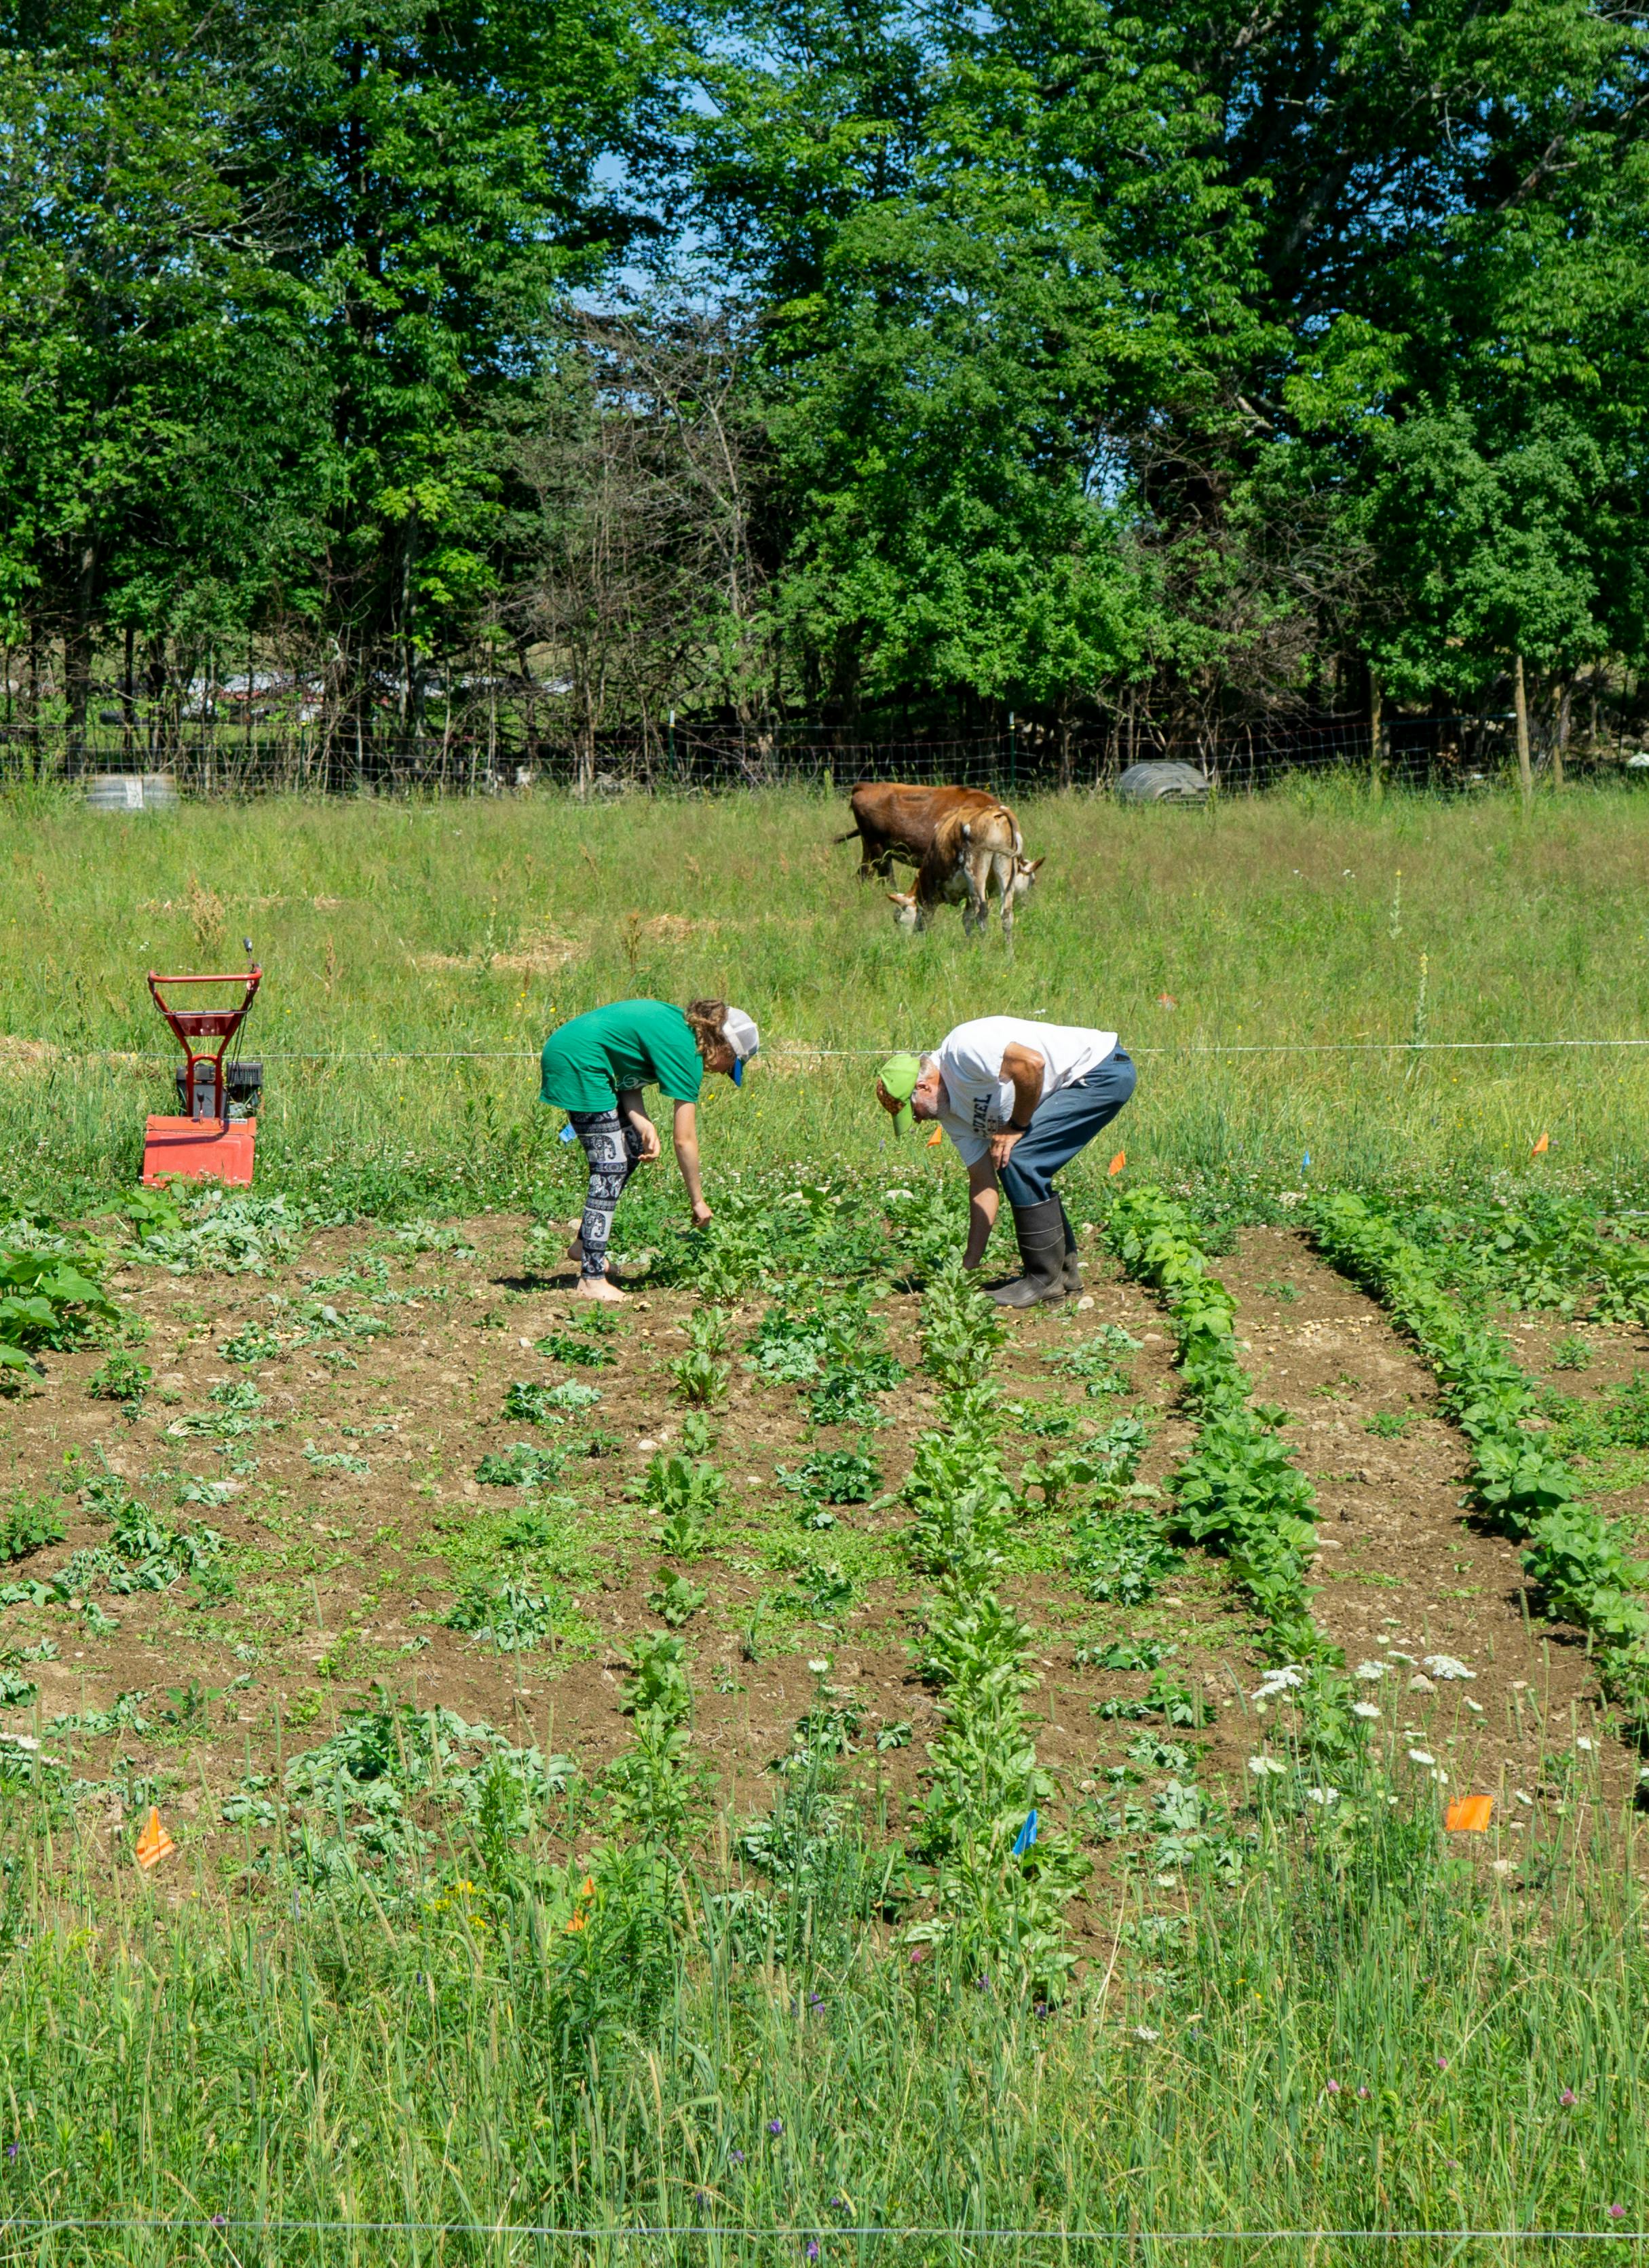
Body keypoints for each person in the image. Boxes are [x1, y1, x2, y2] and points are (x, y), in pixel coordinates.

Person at [874, 1016, 1135, 1306]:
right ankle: (1064, 1277)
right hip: (1088, 1078)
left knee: (1018, 1156)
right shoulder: (952, 1115)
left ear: (923, 1087)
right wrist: (967, 1268)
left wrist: (1017, 1126)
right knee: (1011, 1157)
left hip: (1099, 1070)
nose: (918, 1121)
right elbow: (983, 1184)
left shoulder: (963, 1050)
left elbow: (1031, 1064)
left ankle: (1043, 1280)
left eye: (913, 1112)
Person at [541, 996, 759, 1302]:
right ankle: (591, 1279)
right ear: (722, 1046)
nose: (724, 1073)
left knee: (630, 1150)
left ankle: (584, 1246)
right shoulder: (687, 1053)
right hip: (579, 1062)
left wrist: (641, 1122)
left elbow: (628, 1068)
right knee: (610, 1165)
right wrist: (698, 1201)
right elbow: (684, 1139)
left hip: (584, 1056)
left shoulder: (679, 1030)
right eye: (731, 1065)